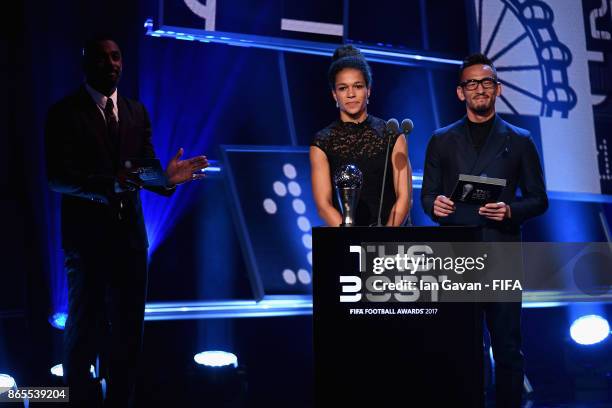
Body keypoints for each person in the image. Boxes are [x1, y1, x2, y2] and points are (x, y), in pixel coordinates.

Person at [44, 36, 208, 407]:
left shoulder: (135, 111)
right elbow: (57, 177)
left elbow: (144, 168)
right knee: (84, 330)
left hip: (131, 240)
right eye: (102, 58)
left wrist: (166, 179)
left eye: (116, 57)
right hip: (87, 241)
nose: (111, 64)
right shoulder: (64, 113)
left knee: (129, 334)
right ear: (86, 64)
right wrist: (108, 185)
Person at [421, 53, 548, 407]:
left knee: (507, 345)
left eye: (487, 82)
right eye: (472, 83)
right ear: (460, 92)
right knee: (464, 346)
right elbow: (428, 196)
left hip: (502, 250)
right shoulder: (441, 140)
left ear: (498, 89)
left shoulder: (520, 140)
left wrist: (509, 209)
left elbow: (539, 199)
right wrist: (436, 206)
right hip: (457, 255)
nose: (480, 89)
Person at [310, 45, 411, 226]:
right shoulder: (322, 142)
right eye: (342, 88)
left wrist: (384, 241)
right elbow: (323, 205)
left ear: (368, 90)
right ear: (334, 94)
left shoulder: (392, 135)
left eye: (357, 86)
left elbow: (404, 197)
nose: (350, 94)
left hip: (388, 242)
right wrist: (351, 237)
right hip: (344, 241)